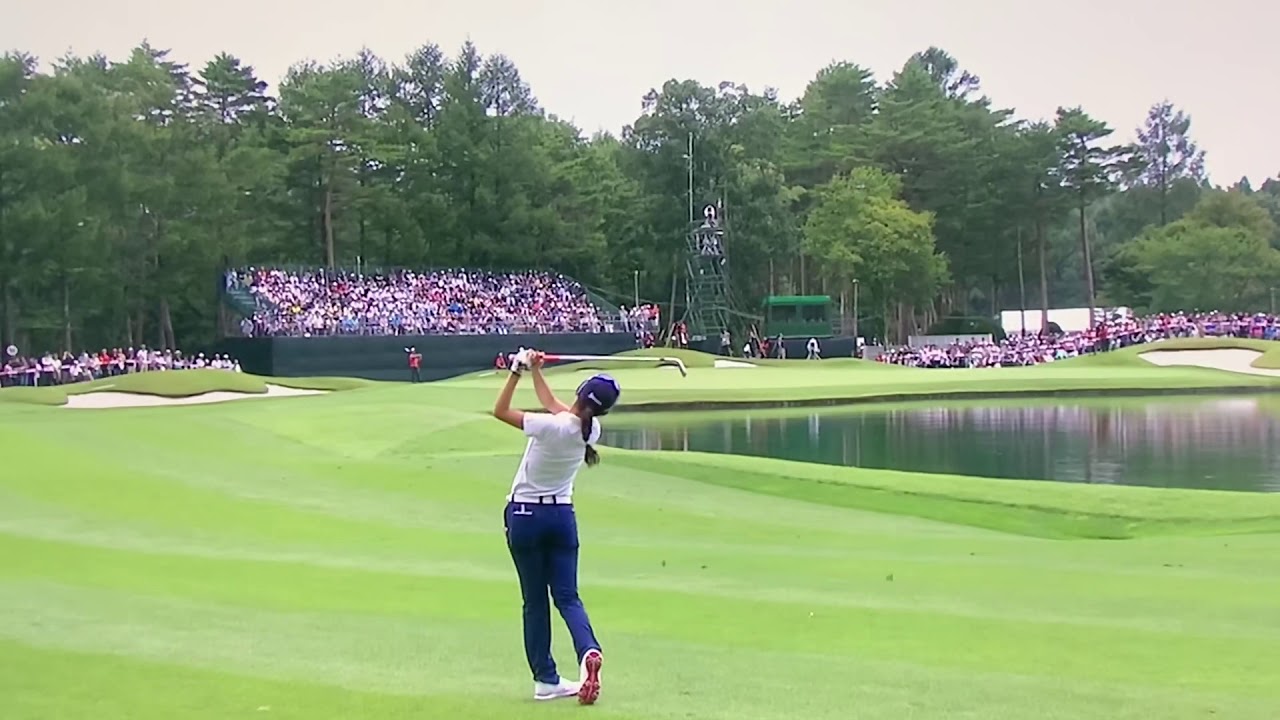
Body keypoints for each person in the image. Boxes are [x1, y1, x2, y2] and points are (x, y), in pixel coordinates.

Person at [491, 348, 618, 704]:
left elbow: (500, 411)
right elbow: (554, 405)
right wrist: (536, 370)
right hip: (562, 518)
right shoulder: (590, 430)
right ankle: (588, 649)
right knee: (567, 596)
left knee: (535, 601)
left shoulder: (551, 427)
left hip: (526, 516)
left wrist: (516, 370)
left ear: (580, 393)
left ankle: (546, 679)